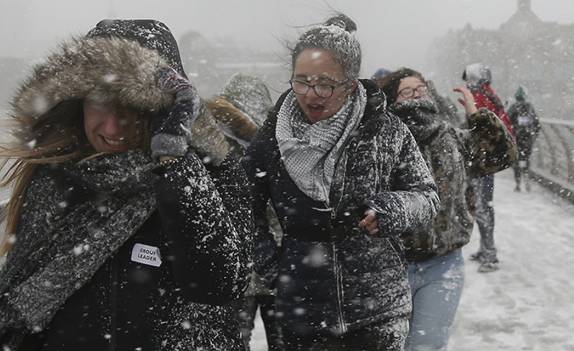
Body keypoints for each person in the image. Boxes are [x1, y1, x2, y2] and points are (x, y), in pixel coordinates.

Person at [0, 19, 253, 351]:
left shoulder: (215, 172)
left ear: (165, 108)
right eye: (100, 102)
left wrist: (173, 158)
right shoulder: (55, 177)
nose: (113, 126)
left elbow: (218, 282)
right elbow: (20, 306)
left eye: (134, 107)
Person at [243, 14, 439, 350]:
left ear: (350, 84)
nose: (311, 94)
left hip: (379, 308)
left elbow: (427, 197)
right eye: (301, 81)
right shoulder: (273, 137)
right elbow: (242, 203)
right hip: (301, 311)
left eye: (326, 84)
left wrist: (392, 208)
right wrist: (272, 267)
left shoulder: (385, 129)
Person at [379, 68, 516, 351]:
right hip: (392, 265)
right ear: (393, 100)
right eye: (407, 91)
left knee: (427, 345)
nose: (416, 94)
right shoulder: (383, 143)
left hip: (443, 264)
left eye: (421, 89)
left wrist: (475, 113)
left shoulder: (451, 138)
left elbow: (502, 154)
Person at [207, 73, 284, 350]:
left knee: (232, 340)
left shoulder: (211, 144)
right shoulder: (274, 143)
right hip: (261, 261)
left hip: (249, 263)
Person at [462, 63, 515, 273]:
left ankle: (490, 255)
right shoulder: (488, 95)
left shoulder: (483, 97)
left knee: (482, 207)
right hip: (485, 160)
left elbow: (483, 127)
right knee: (484, 205)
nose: (467, 82)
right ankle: (486, 249)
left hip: (482, 161)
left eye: (469, 78)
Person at [507, 86, 541, 192]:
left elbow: (506, 121)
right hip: (528, 138)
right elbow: (537, 124)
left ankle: (518, 184)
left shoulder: (513, 107)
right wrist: (533, 135)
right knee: (526, 159)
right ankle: (526, 178)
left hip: (516, 138)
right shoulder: (529, 107)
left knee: (516, 160)